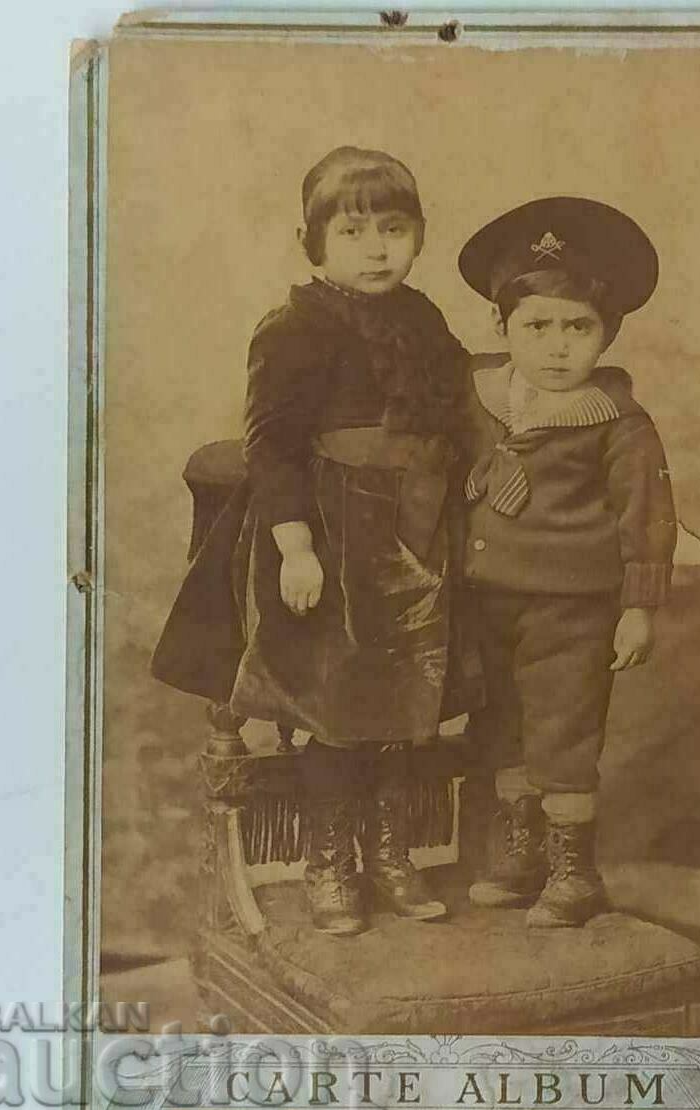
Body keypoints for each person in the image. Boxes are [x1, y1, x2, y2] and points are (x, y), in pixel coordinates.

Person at [152, 146, 474, 935]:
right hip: (330, 538)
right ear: (313, 241)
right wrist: (295, 546)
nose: (376, 248)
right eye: (354, 230)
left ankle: (391, 852)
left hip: (416, 533)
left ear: (418, 236)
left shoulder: (423, 316)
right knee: (334, 704)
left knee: (409, 699)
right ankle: (330, 861)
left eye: (393, 230)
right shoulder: (293, 327)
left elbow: (459, 405)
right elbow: (271, 446)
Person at [456, 196, 677, 928]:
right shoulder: (481, 402)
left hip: (572, 606)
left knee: (564, 731)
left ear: (606, 333)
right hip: (486, 599)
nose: (557, 347)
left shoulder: (617, 423)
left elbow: (645, 516)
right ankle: (521, 853)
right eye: (536, 326)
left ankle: (573, 871)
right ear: (500, 327)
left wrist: (638, 607)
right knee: (503, 728)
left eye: (578, 328)